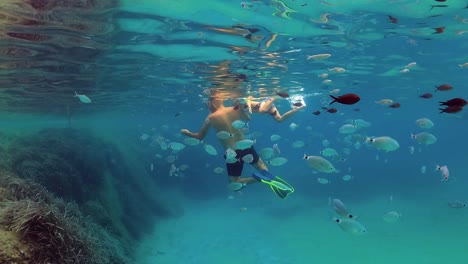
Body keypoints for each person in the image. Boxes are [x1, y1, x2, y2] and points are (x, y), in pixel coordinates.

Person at [180, 94, 303, 198]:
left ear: (213, 102)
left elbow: (200, 137)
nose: (207, 105)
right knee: (262, 166)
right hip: (246, 146)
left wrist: (187, 133)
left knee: (234, 182)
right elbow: (248, 118)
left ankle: (258, 179)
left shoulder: (210, 118)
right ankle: (265, 176)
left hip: (232, 154)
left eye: (208, 102)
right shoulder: (235, 109)